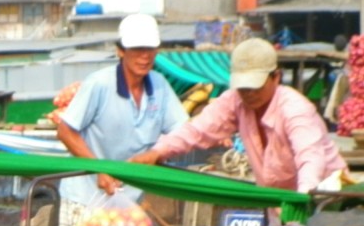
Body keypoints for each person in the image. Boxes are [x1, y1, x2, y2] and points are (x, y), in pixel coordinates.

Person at [130, 37, 348, 193]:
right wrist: (158, 152)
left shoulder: (295, 109)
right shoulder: (235, 100)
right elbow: (197, 131)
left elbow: (311, 160)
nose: (249, 94)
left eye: (256, 86)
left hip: (325, 200)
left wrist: (303, 200)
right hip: (278, 203)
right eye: (244, 88)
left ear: (276, 77)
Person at [55, 13, 188, 226]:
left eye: (150, 48)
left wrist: (156, 154)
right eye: (137, 49)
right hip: (85, 199)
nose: (145, 56)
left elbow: (183, 132)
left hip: (127, 204)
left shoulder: (159, 86)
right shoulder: (100, 84)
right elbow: (65, 130)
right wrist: (100, 170)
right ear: (120, 51)